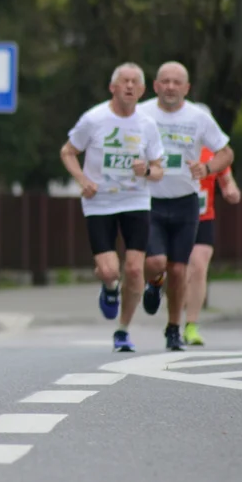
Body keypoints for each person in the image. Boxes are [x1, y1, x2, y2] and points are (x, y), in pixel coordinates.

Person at [60, 62, 165, 353]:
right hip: (100, 202)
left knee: (134, 270)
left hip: (135, 201)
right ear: (113, 87)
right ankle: (108, 289)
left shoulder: (147, 124)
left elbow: (159, 170)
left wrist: (145, 172)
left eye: (135, 83)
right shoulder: (94, 119)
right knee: (109, 271)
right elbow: (68, 152)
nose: (130, 86)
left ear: (142, 90)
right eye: (124, 81)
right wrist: (82, 179)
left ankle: (123, 330)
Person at [137, 64, 234, 351]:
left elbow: (226, 152)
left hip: (185, 203)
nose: (170, 87)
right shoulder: (141, 114)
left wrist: (206, 168)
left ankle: (173, 328)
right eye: (165, 81)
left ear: (186, 88)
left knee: (179, 271)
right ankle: (154, 283)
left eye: (176, 82)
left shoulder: (198, 117)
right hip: (149, 200)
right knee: (155, 262)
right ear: (155, 86)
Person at [183, 109, 241, 346]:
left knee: (198, 267)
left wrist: (232, 192)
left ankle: (191, 325)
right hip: (172, 217)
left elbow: (228, 182)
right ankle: (173, 314)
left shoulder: (213, 154)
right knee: (173, 269)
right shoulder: (173, 149)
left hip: (203, 218)